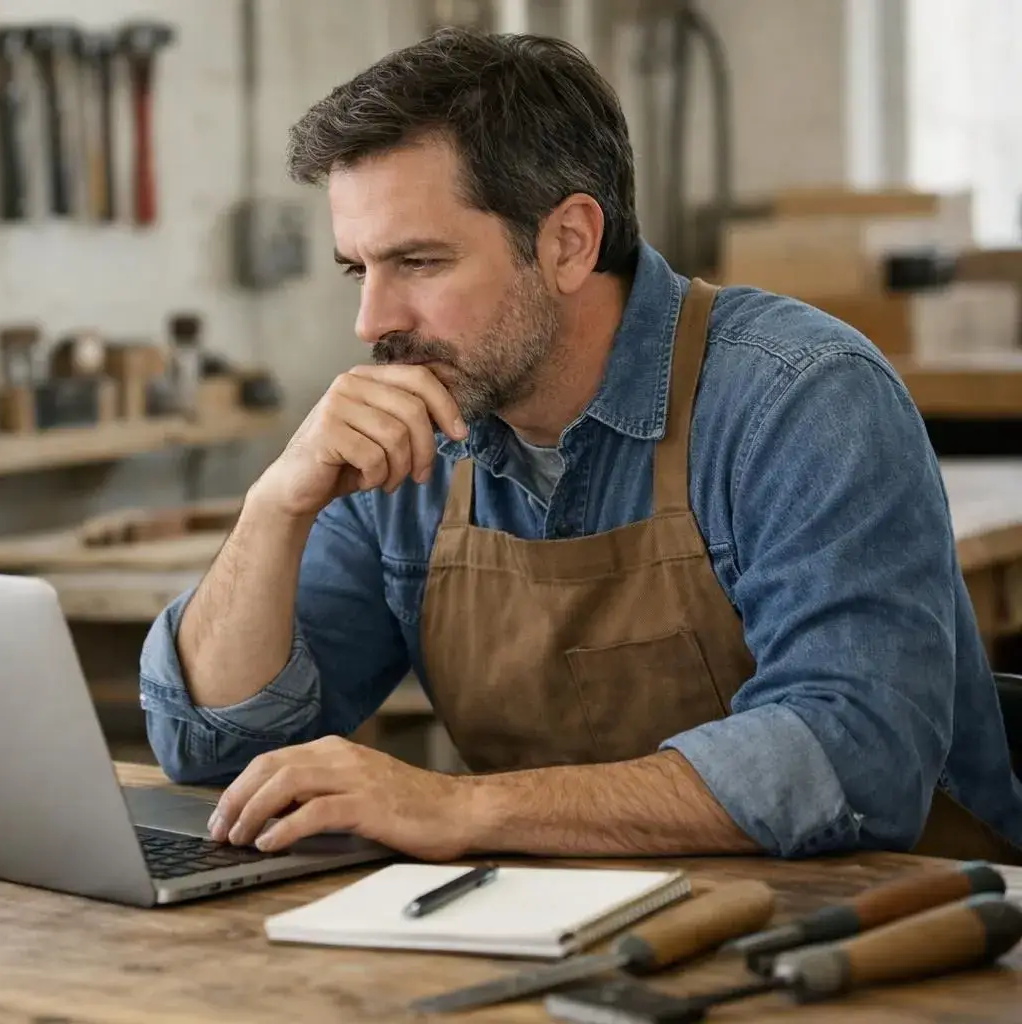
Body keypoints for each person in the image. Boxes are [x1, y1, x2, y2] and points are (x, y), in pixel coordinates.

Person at [137, 28, 1022, 865]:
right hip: (572, 935)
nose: (372, 322)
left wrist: (461, 807)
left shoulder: (801, 398)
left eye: (419, 263)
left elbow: (858, 758)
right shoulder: (415, 430)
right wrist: (274, 508)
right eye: (357, 271)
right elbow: (214, 750)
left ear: (568, 242)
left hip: (892, 941)